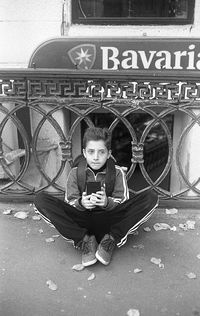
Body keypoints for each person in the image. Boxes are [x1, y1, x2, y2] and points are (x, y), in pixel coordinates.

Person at [34, 127, 159, 267]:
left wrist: (107, 202)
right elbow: (70, 202)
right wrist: (82, 203)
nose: (95, 157)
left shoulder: (117, 173)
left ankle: (110, 240)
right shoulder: (75, 173)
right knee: (40, 199)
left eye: (101, 152)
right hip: (82, 223)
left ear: (108, 154)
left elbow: (123, 202)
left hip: (110, 222)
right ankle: (85, 241)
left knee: (151, 197)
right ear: (84, 153)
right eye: (91, 152)